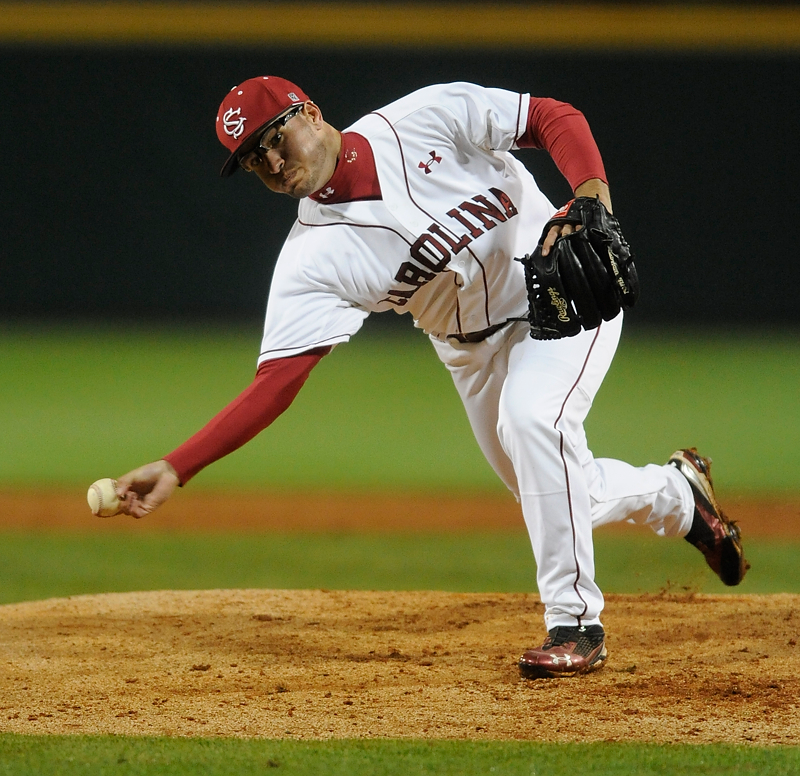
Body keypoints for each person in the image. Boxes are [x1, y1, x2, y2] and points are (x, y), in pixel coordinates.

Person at [114, 76, 748, 679]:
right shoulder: (312, 259)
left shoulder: (425, 117)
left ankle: (575, 626)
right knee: (548, 487)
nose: (273, 163)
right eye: (254, 159)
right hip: (467, 352)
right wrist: (178, 465)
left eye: (276, 138)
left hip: (557, 300)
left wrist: (590, 199)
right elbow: (276, 382)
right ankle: (677, 496)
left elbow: (552, 117)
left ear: (309, 112)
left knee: (533, 421)